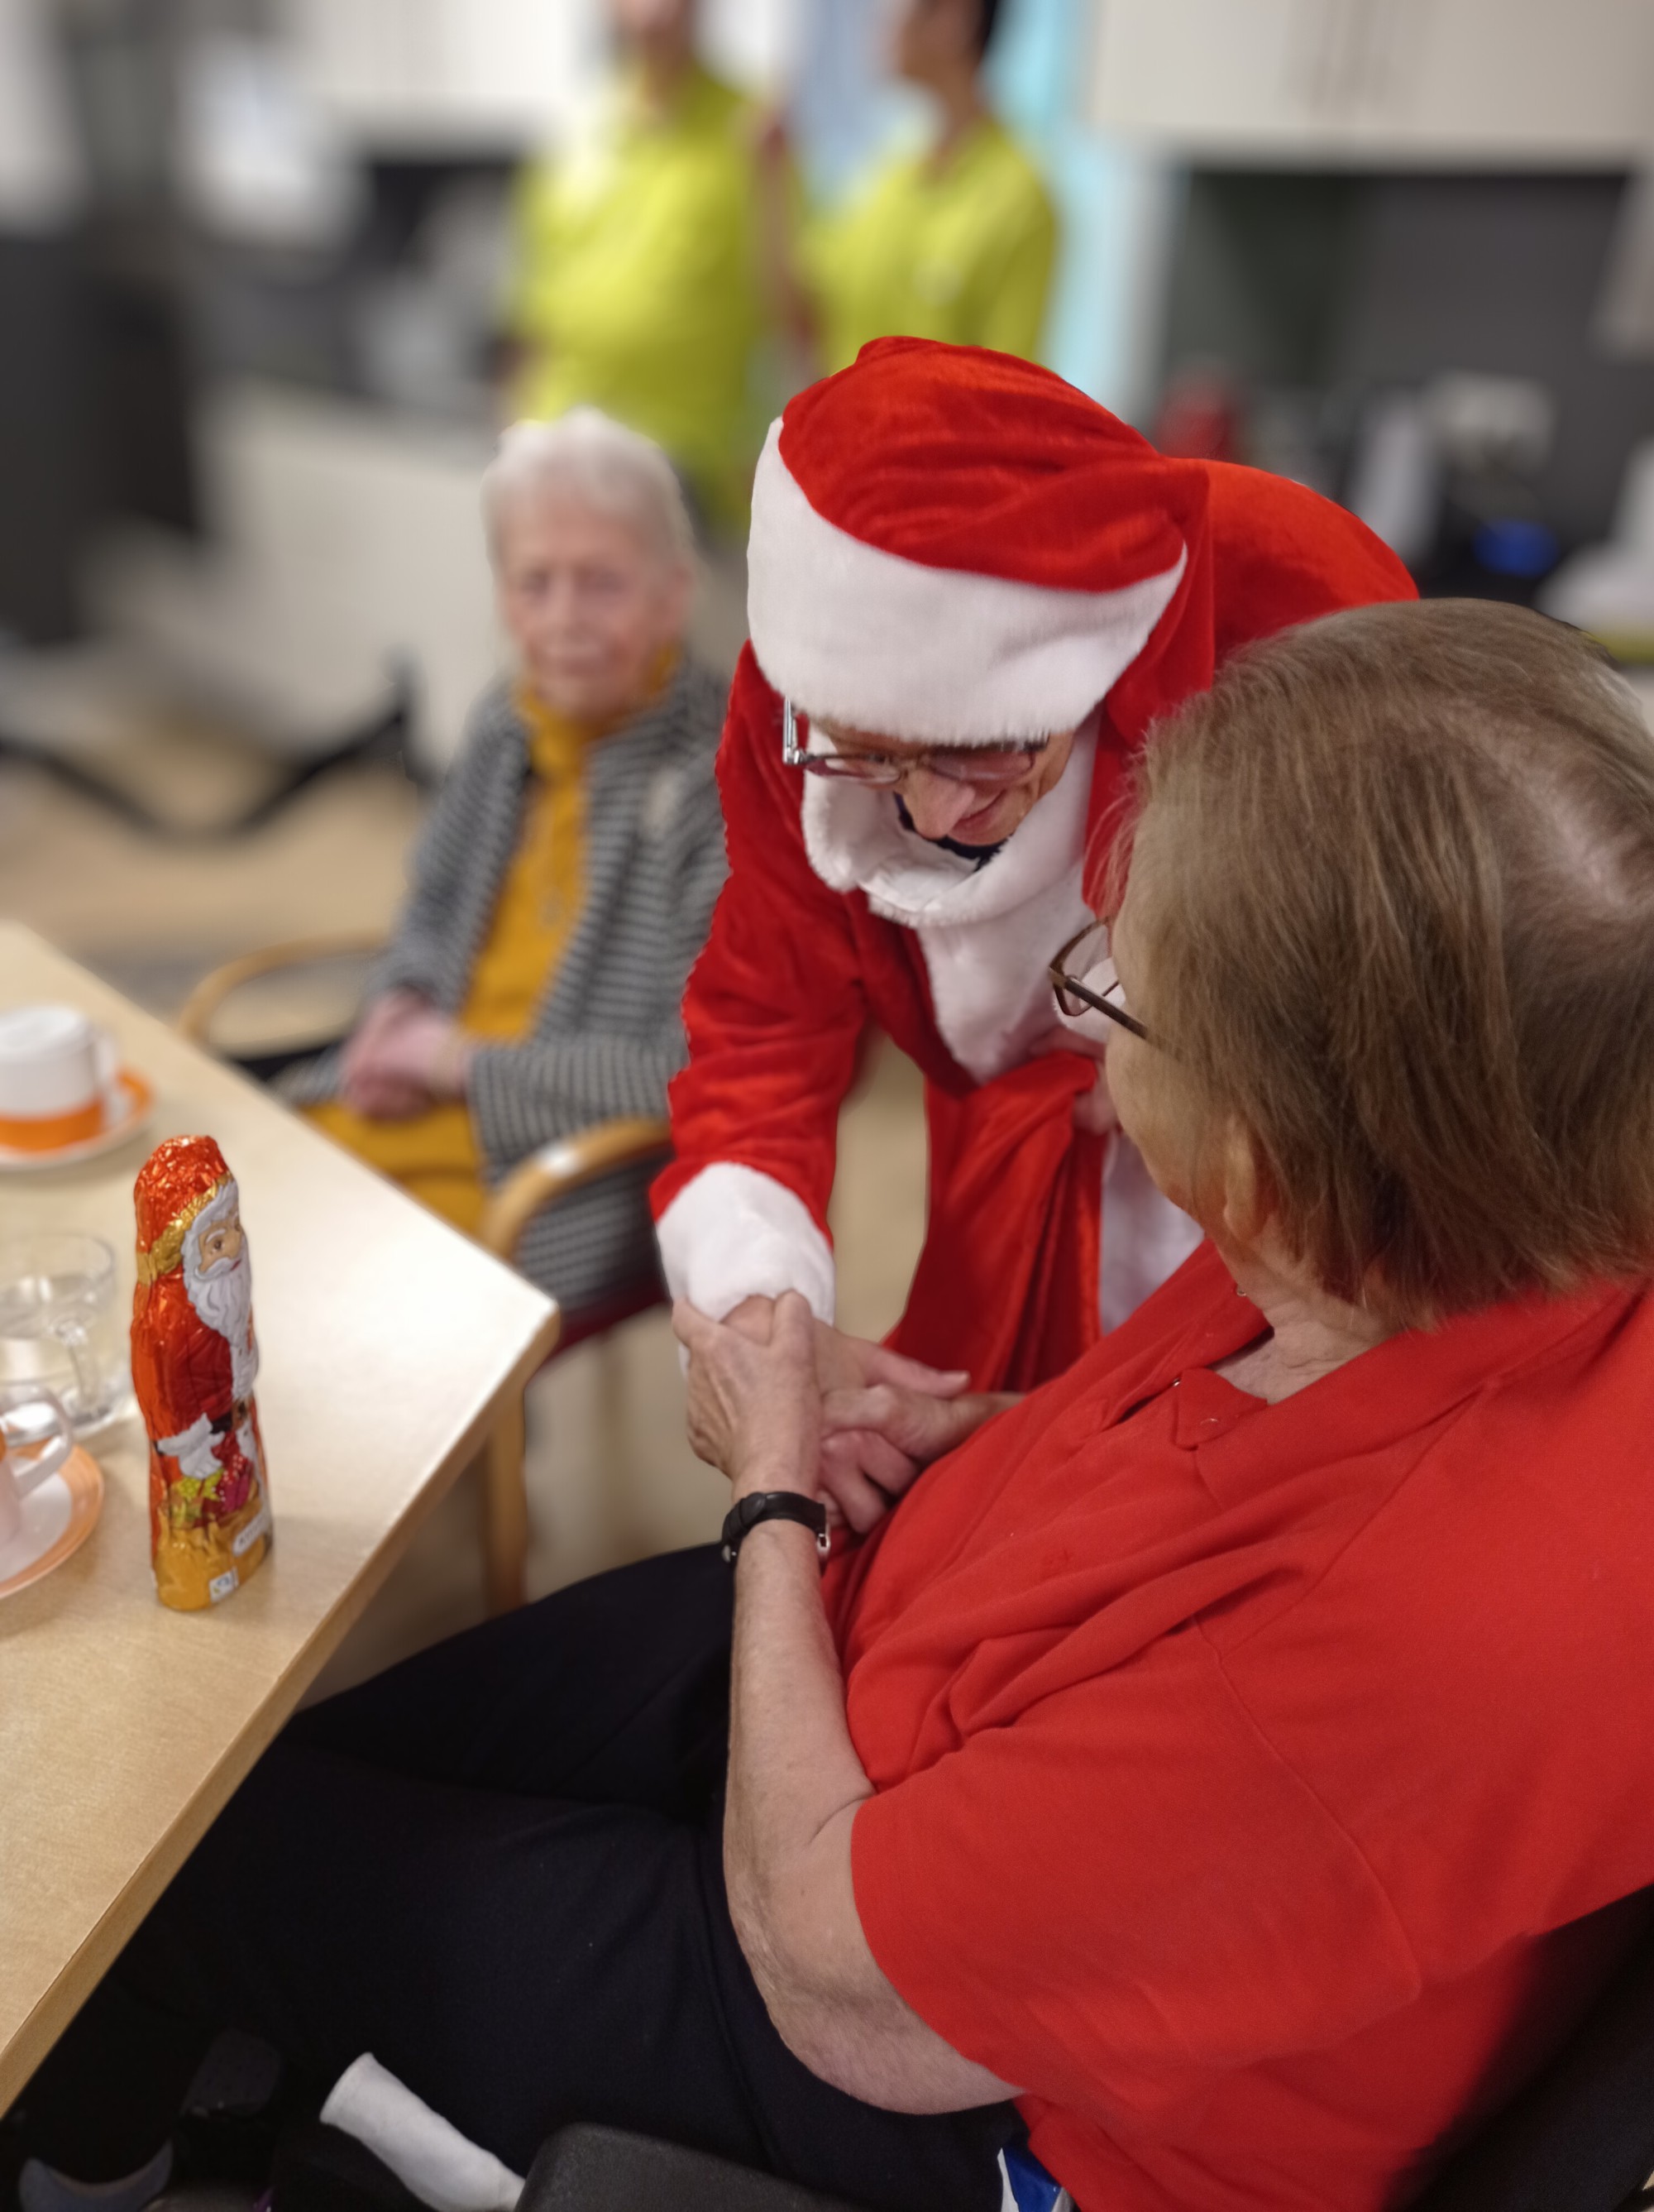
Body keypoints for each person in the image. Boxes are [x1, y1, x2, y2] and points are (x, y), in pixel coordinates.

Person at [17, 599, 1654, 2212]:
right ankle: (243, 2052)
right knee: (261, 1777)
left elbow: (824, 1968)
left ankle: (107, 2160)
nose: (1083, 1045)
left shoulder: (1367, 1666)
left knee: (198, 1874)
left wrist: (773, 1494)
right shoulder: (1501, 1209)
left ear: (1279, 1162)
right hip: (906, 1648)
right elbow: (1252, 1469)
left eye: (1115, 997)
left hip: (937, 2059)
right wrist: (1012, 1427)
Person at [653, 335, 1416, 1448]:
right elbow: (766, 1020)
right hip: (1007, 1212)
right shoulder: (799, 699)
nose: (926, 816)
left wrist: (1231, 1062)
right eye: (868, 756)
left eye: (987, 754)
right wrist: (763, 1303)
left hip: (1287, 1214)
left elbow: (1416, 990)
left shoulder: (1301, 627)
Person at [289, 409, 728, 1320]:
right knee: (220, 1227)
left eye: (601, 583)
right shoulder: (505, 722)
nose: (562, 620)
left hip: (556, 1171)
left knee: (331, 1313)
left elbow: (689, 1073)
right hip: (408, 1099)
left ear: (671, 596)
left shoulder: (716, 781)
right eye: (535, 583)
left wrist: (455, 1061)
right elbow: (431, 901)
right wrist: (398, 1004)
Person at [504, 0, 772, 536]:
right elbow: (531, 316)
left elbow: (792, 311)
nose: (656, 12)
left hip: (690, 462)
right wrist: (516, 442)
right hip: (564, 445)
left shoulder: (754, 131)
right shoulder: (575, 128)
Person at [786, 0, 1058, 375]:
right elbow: (803, 309)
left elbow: (1003, 394)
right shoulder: (888, 176)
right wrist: (771, 178)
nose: (883, 15)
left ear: (954, 19)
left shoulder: (1022, 203)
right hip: (842, 432)